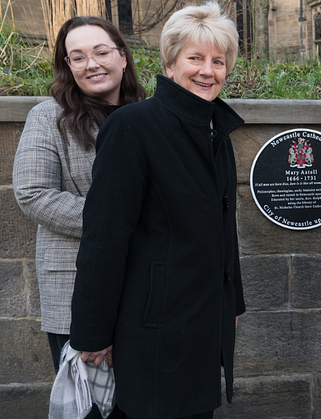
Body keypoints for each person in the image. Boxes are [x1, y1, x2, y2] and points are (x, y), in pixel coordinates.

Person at [69, 3, 245, 419]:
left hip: (204, 321)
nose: (208, 71)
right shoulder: (133, 125)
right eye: (195, 58)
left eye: (218, 61)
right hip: (155, 327)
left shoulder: (216, 130)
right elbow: (105, 235)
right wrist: (92, 334)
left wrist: (231, 303)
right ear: (170, 64)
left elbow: (224, 229)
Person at [12, 15, 145, 376]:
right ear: (68, 66)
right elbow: (33, 193)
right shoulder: (49, 118)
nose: (92, 64)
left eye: (101, 52)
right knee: (87, 404)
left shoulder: (147, 117)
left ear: (122, 56)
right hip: (75, 289)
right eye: (78, 57)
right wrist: (117, 220)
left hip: (144, 287)